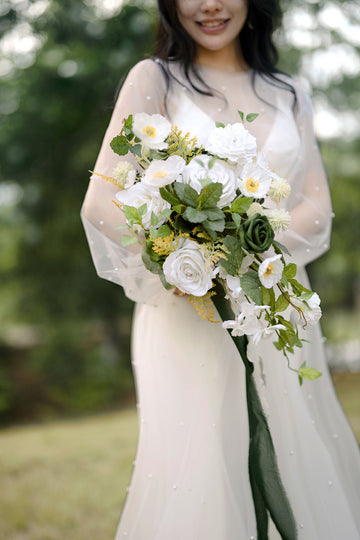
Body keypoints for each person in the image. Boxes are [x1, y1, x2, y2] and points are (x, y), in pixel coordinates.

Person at [81, 1, 360, 538]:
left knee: (294, 444)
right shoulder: (155, 79)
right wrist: (186, 257)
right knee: (206, 458)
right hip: (191, 310)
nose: (209, 5)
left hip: (279, 305)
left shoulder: (289, 91)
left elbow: (316, 209)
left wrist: (242, 249)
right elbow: (102, 201)